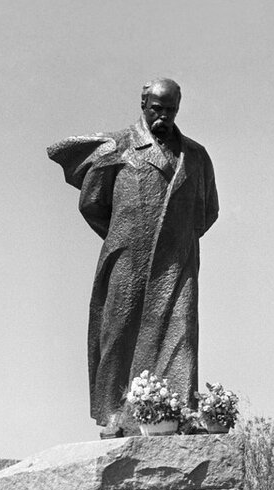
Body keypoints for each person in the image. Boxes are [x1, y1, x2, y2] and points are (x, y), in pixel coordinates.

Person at [48, 78, 219, 436]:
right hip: (128, 258)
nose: (164, 116)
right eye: (157, 108)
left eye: (170, 109)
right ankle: (114, 416)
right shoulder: (117, 147)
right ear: (143, 104)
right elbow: (92, 204)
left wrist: (176, 237)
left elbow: (207, 212)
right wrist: (125, 239)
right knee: (118, 333)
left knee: (181, 334)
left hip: (179, 263)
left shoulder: (197, 157)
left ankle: (178, 413)